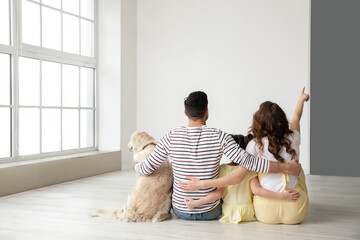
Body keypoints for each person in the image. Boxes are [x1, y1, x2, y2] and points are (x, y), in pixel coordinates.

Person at [135, 91, 301, 221]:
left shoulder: (170, 137)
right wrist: (286, 167)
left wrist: (136, 162)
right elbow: (251, 162)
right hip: (211, 211)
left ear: (186, 113)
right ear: (207, 112)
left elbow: (146, 168)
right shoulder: (219, 136)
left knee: (169, 172)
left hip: (181, 210)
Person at [182, 134, 300, 224]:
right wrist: (282, 196)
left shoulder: (223, 168)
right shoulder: (250, 169)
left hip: (229, 213)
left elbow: (219, 193)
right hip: (249, 212)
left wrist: (195, 203)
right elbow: (256, 190)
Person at [247, 87, 309, 224]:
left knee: (252, 174)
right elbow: (296, 119)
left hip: (265, 212)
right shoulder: (294, 138)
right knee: (299, 170)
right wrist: (301, 100)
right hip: (296, 209)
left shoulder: (254, 145)